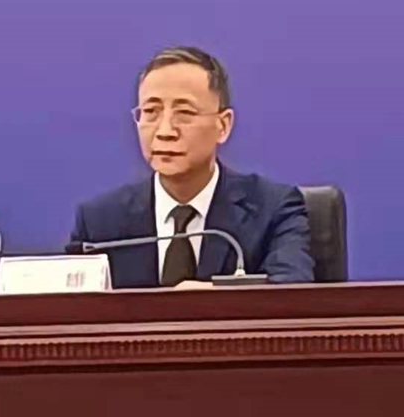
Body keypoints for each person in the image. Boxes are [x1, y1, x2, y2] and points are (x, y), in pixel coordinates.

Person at [70, 46, 314, 289]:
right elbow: (70, 303)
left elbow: (290, 291)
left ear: (223, 125)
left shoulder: (273, 209)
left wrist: (209, 299)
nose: (165, 131)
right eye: (151, 112)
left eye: (184, 113)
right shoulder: (99, 222)